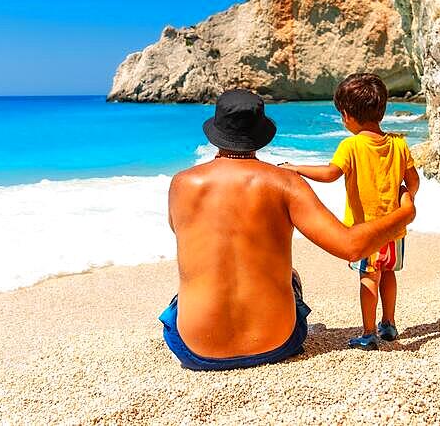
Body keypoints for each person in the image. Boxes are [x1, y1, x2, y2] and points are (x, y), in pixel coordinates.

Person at [160, 88, 415, 371]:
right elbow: (350, 247)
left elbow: (180, 232)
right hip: (278, 344)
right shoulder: (285, 183)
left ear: (216, 131)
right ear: (260, 134)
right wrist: (404, 213)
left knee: (184, 295)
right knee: (291, 277)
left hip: (196, 351)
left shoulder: (181, 184)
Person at [280, 73, 420, 350]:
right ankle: (389, 324)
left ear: (347, 115)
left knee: (369, 276)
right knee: (389, 273)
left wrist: (295, 168)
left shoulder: (351, 145)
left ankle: (369, 333)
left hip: (366, 231)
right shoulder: (398, 143)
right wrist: (406, 196)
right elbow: (413, 181)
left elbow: (331, 174)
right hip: (395, 229)